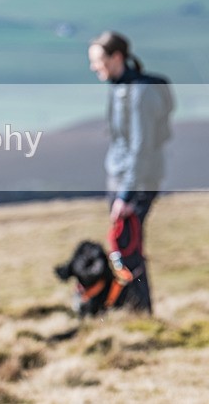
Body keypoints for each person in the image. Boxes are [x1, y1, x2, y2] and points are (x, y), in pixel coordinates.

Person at [87, 31, 174, 313]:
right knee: (124, 248)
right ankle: (134, 310)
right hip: (122, 177)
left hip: (135, 182)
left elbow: (141, 146)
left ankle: (142, 313)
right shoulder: (120, 88)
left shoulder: (139, 93)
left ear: (117, 57)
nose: (94, 67)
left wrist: (125, 194)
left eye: (98, 60)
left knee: (128, 247)